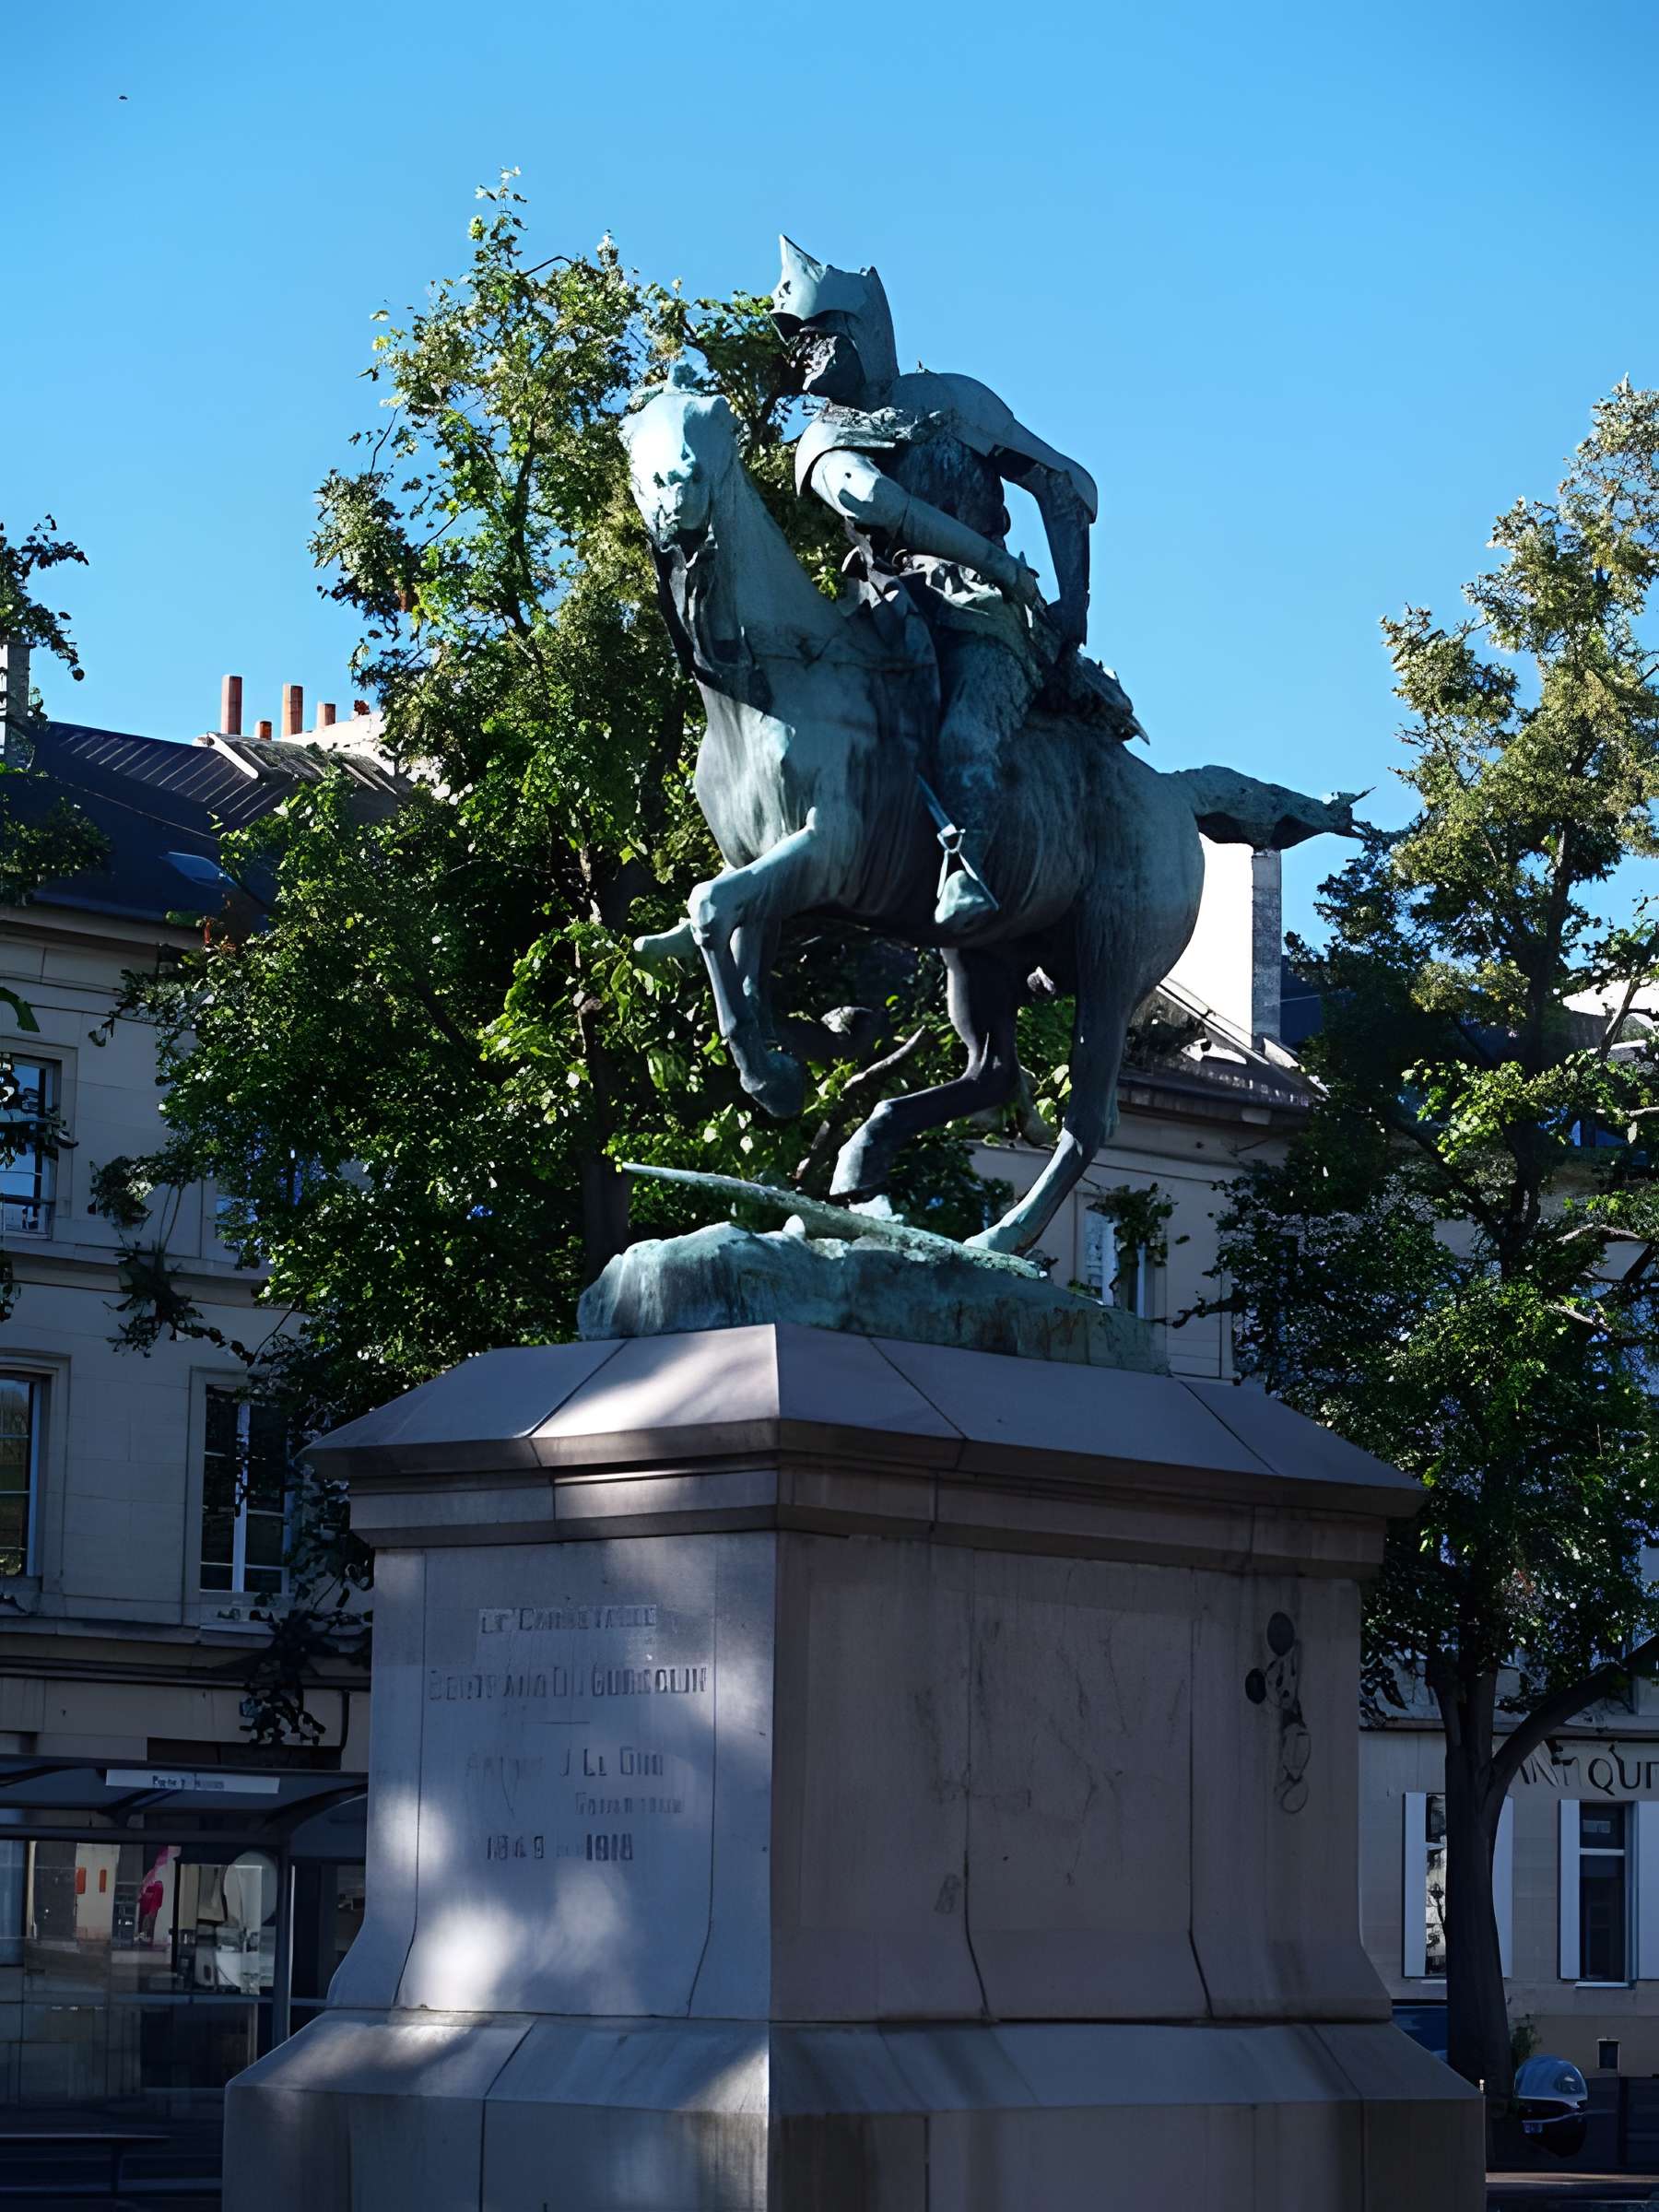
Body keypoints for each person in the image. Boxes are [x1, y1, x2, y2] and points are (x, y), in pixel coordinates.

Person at [771, 237, 1100, 930]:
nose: (801, 355)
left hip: (982, 611)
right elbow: (874, 501)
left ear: (858, 329)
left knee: (967, 734)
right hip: (883, 605)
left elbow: (1065, 482)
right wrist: (1001, 562)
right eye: (795, 342)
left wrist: (1073, 603)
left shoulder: (953, 399)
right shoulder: (821, 443)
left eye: (814, 336)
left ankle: (968, 865)